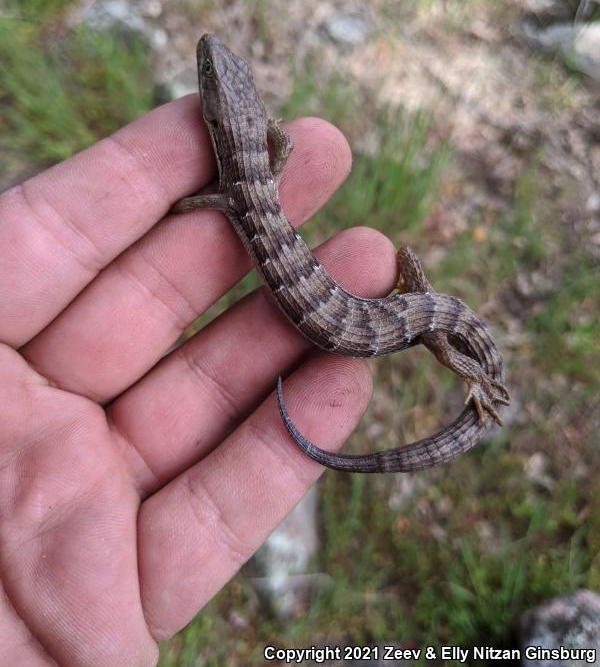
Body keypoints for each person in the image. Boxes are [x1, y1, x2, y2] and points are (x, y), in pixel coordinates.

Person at [0, 95, 399, 666]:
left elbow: (218, 194)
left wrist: (190, 202)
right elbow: (273, 153)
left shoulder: (240, 182)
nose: (208, 72)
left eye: (212, 84)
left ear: (219, 120)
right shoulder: (259, 164)